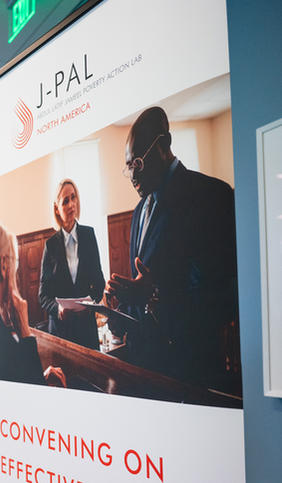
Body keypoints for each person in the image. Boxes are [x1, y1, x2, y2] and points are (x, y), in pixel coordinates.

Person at [104, 106, 239, 394]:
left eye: (138, 162)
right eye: (129, 166)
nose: (133, 175)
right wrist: (120, 315)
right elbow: (141, 288)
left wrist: (154, 296)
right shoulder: (138, 212)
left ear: (164, 144)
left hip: (189, 372)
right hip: (144, 370)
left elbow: (224, 297)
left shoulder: (210, 196)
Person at [0, 222, 65, 387]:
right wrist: (25, 333)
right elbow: (31, 393)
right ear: (4, 265)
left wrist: (38, 376)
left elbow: (11, 378)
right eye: (15, 263)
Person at [39, 179, 106, 349]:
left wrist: (91, 306)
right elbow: (43, 295)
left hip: (86, 330)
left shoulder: (89, 236)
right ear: (57, 208)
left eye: (73, 197)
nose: (71, 205)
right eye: (65, 201)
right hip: (61, 333)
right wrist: (58, 309)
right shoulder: (50, 245)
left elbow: (99, 283)